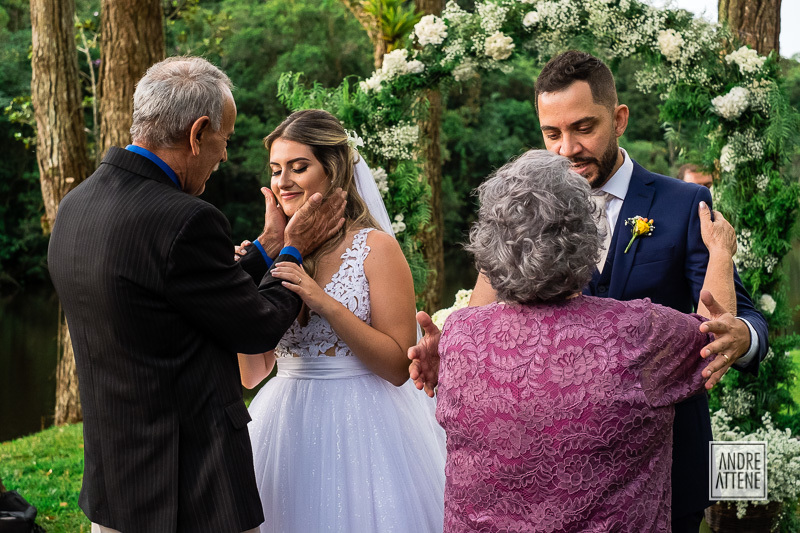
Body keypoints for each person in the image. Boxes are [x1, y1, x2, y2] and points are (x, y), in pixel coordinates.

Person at [411, 50, 768, 533]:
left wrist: (743, 338)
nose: (566, 149)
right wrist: (452, 356)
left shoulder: (684, 203)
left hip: (663, 465)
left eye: (583, 128)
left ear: (618, 118)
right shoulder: (522, 202)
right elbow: (486, 312)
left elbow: (736, 317)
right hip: (542, 467)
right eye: (552, 133)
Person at [47, 57, 346, 533]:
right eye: (223, 140)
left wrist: (266, 248)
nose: (224, 156)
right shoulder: (184, 218)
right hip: (188, 491)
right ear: (197, 132)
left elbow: (177, 290)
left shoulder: (77, 205)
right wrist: (296, 246)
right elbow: (258, 326)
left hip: (116, 485)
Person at [435, 149, 738, 532]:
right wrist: (722, 254)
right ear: (586, 236)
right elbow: (716, 338)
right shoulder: (637, 332)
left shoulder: (459, 335)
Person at [237, 109, 446, 533]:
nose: (283, 181)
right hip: (283, 425)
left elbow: (395, 368)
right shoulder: (277, 255)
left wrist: (323, 301)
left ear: (332, 171)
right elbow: (252, 373)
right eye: (276, 170)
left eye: (299, 167)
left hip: (366, 426)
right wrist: (239, 284)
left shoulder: (375, 248)